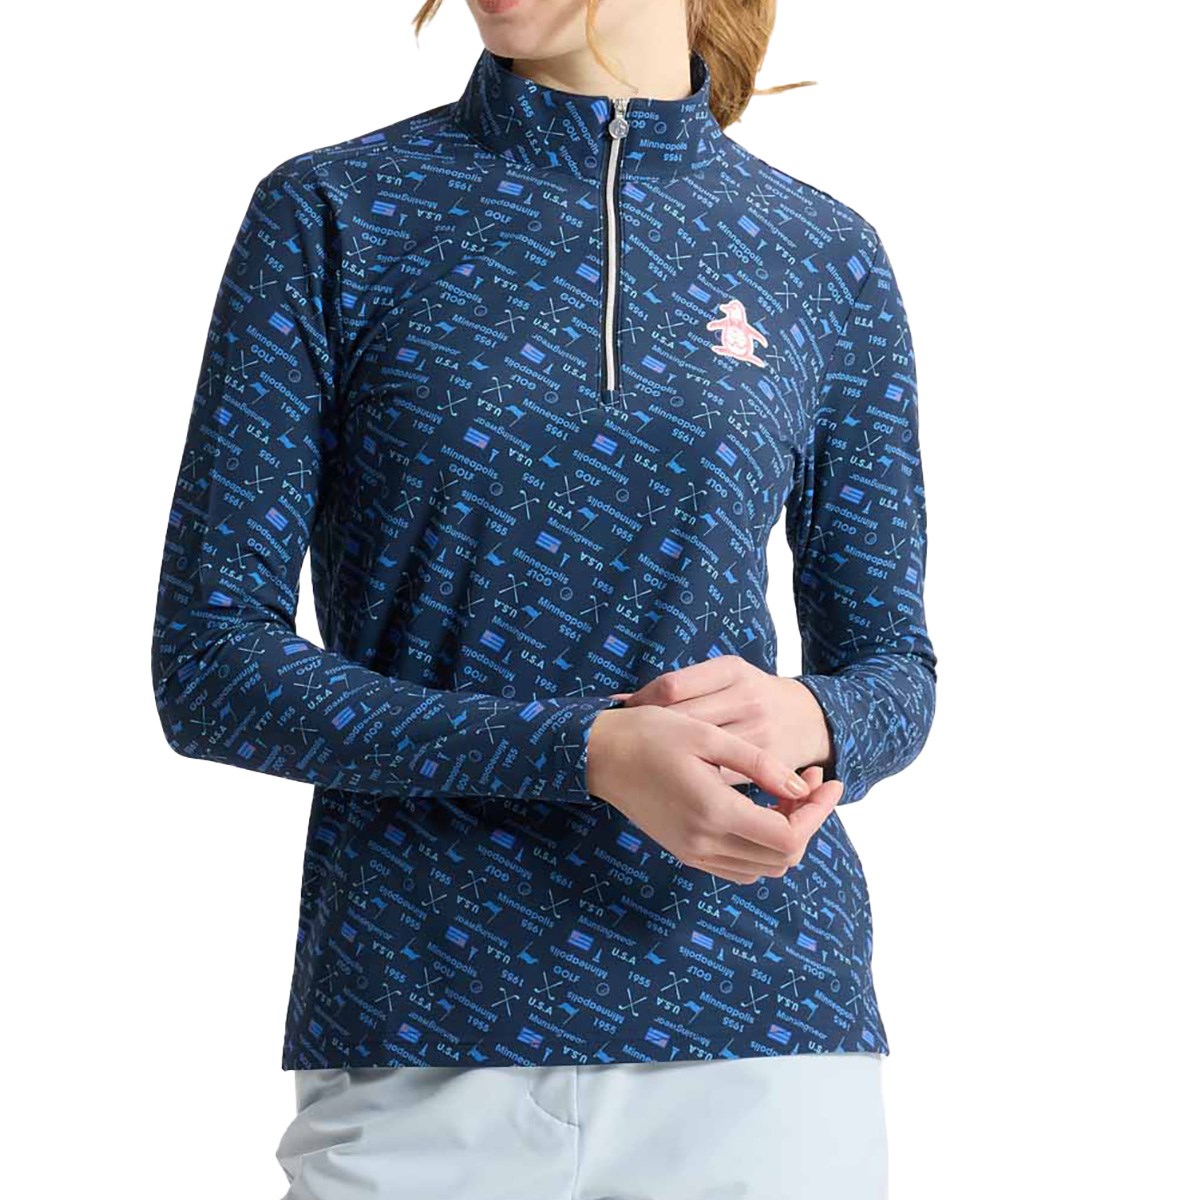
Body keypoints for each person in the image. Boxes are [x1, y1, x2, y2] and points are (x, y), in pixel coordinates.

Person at [149, 0, 937, 1195]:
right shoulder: (335, 211)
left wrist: (818, 719)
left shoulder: (821, 251)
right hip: (422, 1026)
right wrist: (584, 752)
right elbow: (211, 666)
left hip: (760, 1029)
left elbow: (895, 668)